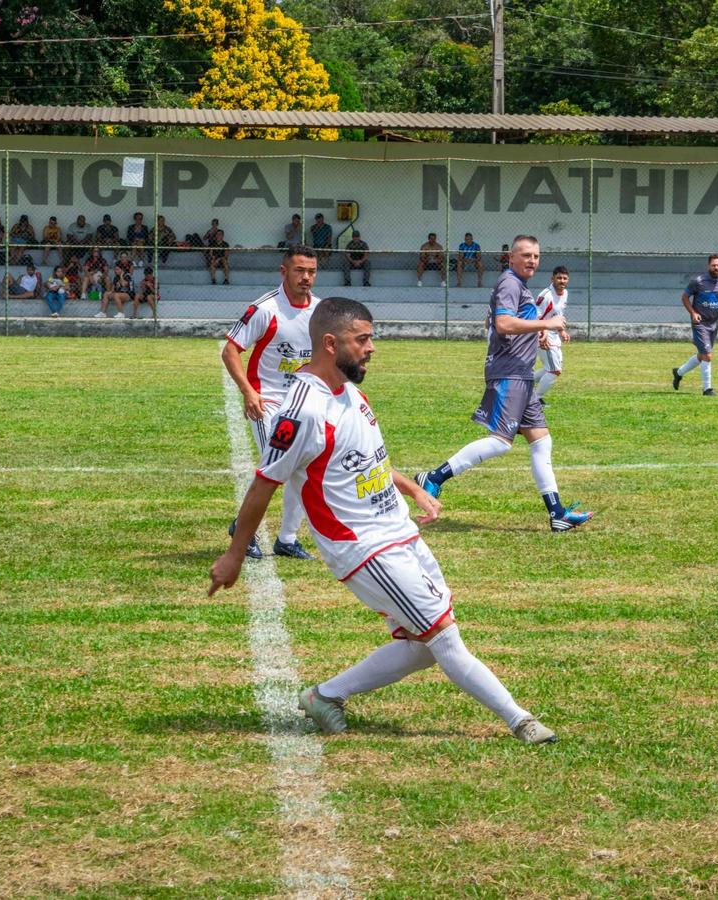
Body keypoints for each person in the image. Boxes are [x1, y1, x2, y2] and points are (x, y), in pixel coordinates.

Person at [209, 297, 557, 745]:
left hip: (398, 531)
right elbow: (264, 483)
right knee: (445, 640)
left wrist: (411, 488)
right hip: (362, 545)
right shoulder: (302, 410)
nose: (372, 347)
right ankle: (522, 721)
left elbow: (363, 460)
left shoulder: (350, 391)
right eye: (364, 339)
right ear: (331, 344)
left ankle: (325, 696)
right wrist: (236, 553)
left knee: (423, 644)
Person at [415, 235, 593, 532]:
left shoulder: (519, 285)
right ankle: (434, 477)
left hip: (521, 373)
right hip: (508, 372)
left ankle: (557, 514)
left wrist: (534, 335)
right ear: (511, 258)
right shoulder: (509, 282)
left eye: (536, 256)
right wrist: (545, 325)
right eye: (525, 255)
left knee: (541, 441)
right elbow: (503, 324)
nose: (532, 260)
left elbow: (514, 324)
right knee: (500, 442)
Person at [221, 246, 324, 561]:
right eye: (299, 271)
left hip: (303, 404)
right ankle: (244, 530)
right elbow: (230, 350)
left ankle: (287, 539)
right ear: (284, 271)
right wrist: (248, 392)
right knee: (276, 468)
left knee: (303, 469)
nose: (305, 277)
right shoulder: (265, 309)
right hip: (266, 402)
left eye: (311, 271)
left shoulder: (321, 311)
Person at [671, 254, 718, 396]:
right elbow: (685, 297)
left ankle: (678, 372)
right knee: (708, 355)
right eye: (713, 265)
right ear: (708, 266)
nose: (716, 267)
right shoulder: (698, 281)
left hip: (713, 324)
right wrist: (693, 313)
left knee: (702, 355)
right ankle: (707, 389)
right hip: (700, 324)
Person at [532, 266, 571, 401]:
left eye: (564, 278)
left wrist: (561, 331)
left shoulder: (565, 293)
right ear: (552, 279)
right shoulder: (546, 296)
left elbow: (557, 315)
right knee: (554, 371)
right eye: (559, 278)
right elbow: (537, 316)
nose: (562, 281)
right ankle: (536, 400)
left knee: (551, 368)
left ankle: (523, 383)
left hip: (554, 334)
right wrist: (543, 333)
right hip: (544, 334)